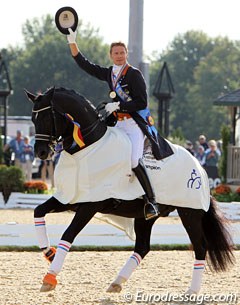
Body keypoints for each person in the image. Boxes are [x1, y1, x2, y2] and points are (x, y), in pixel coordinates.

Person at [66, 29, 173, 219]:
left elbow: (142, 102)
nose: (119, 56)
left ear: (126, 54)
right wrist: (72, 42)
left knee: (133, 160)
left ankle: (151, 201)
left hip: (134, 125)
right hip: (117, 124)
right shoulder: (109, 73)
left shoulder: (134, 74)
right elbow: (86, 65)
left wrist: (120, 105)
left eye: (122, 53)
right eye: (115, 53)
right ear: (110, 55)